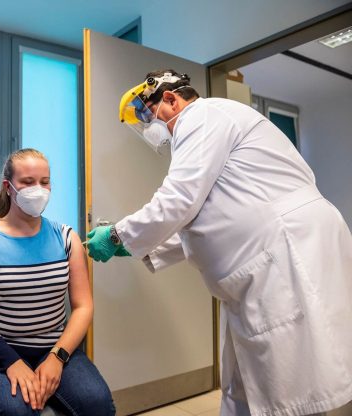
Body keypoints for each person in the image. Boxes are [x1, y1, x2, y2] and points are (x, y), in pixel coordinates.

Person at [86, 69, 352, 416]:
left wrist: (119, 234)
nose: (149, 127)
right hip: (261, 263)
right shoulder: (206, 126)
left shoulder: (202, 116)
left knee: (291, 382)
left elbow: (180, 198)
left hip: (285, 252)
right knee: (248, 381)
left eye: (148, 116)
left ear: (170, 99)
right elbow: (205, 216)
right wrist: (139, 244)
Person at [0, 148, 115, 415]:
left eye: (45, 182)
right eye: (28, 182)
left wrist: (58, 357)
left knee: (97, 404)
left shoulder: (66, 237)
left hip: (54, 349)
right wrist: (11, 362)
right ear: (8, 187)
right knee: (16, 412)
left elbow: (83, 306)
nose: (38, 190)